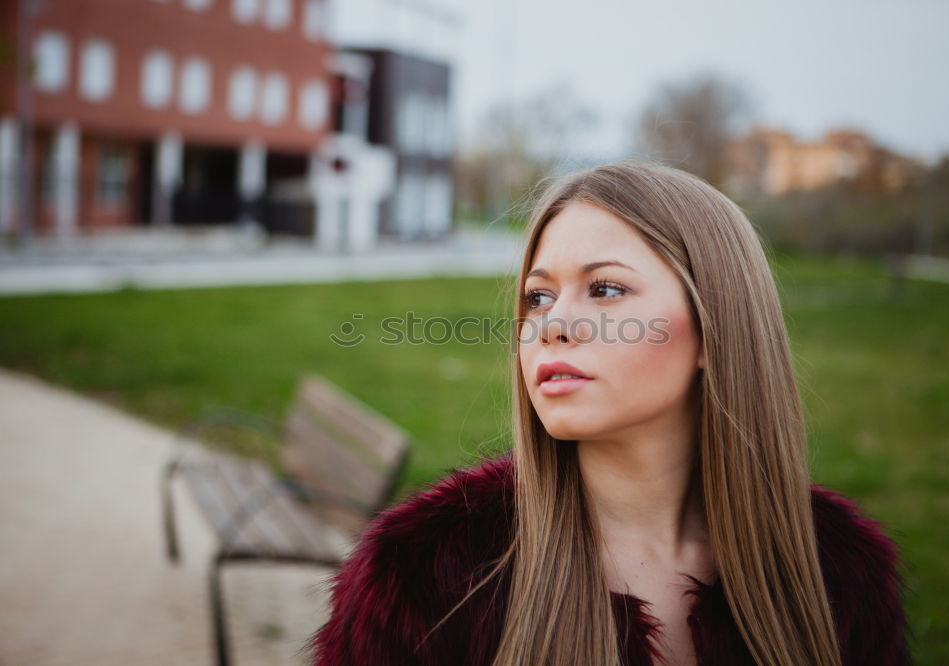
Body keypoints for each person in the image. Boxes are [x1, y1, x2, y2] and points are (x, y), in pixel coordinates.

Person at [309, 161, 911, 665]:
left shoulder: (837, 570)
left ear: (713, 329)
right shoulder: (426, 578)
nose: (553, 325)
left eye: (605, 289)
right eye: (538, 297)